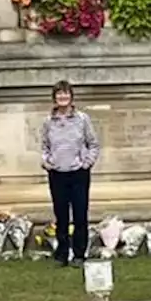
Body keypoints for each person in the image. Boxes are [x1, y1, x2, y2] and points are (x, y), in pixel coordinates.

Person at [41, 80, 100, 267]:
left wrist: (86, 163)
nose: (62, 97)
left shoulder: (82, 119)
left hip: (78, 173)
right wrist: (46, 162)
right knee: (61, 216)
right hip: (57, 173)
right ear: (54, 98)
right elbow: (44, 146)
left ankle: (80, 254)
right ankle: (62, 254)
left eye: (66, 94)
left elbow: (93, 144)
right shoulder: (48, 122)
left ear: (71, 97)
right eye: (59, 94)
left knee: (80, 214)